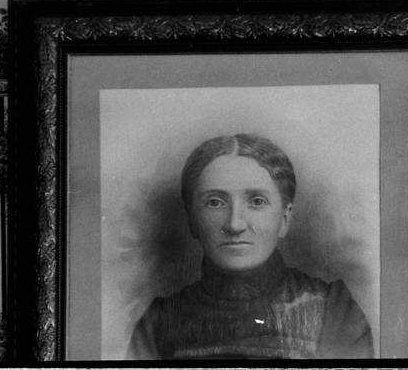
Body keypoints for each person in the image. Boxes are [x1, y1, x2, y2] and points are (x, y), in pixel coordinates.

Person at [125, 133, 374, 361]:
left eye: (256, 201)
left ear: (285, 219)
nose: (235, 224)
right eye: (215, 202)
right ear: (192, 220)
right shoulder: (158, 324)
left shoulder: (333, 311)